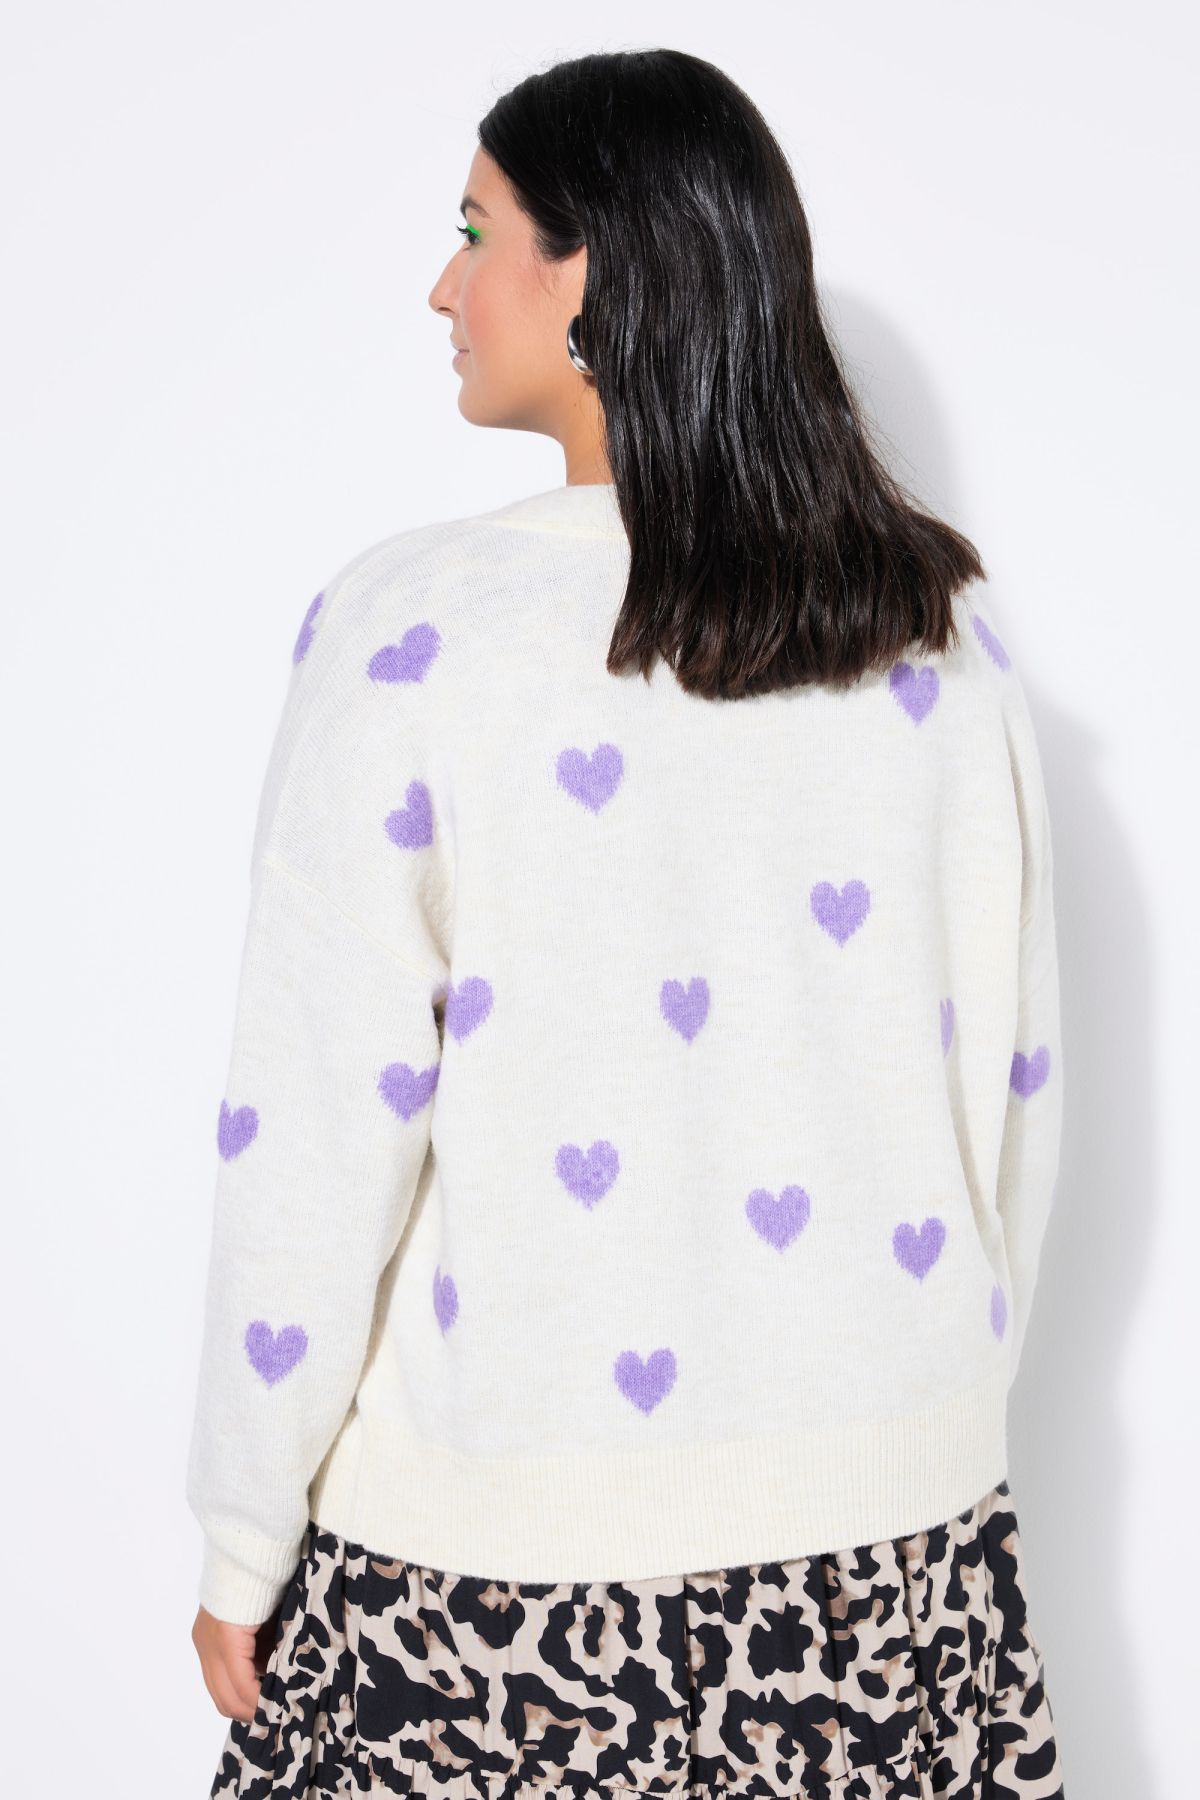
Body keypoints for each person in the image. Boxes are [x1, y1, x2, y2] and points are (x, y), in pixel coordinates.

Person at [187, 46, 1066, 1800]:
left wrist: (240, 1531)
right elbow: (1008, 1118)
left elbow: (320, 1131)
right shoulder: (929, 644)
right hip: (891, 1576)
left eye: (477, 232)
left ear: (589, 270)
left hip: (486, 1602)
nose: (443, 287)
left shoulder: (414, 635)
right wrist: (918, 1441)